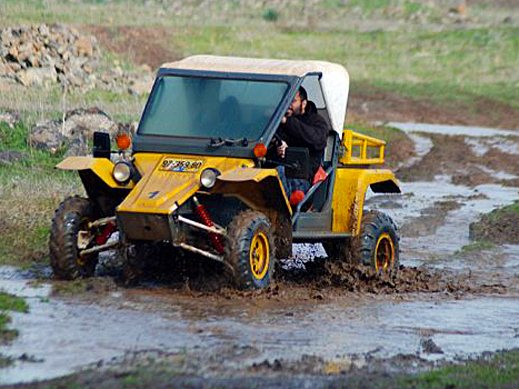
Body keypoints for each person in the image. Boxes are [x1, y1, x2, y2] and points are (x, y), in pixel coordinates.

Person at [275, 86, 329, 205]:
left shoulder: (317, 122)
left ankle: (290, 207)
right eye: (285, 100)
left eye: (293, 101)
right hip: (278, 166)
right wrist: (279, 147)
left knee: (279, 172)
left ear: (303, 103)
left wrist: (287, 122)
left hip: (303, 176)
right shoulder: (277, 122)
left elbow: (317, 140)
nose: (288, 105)